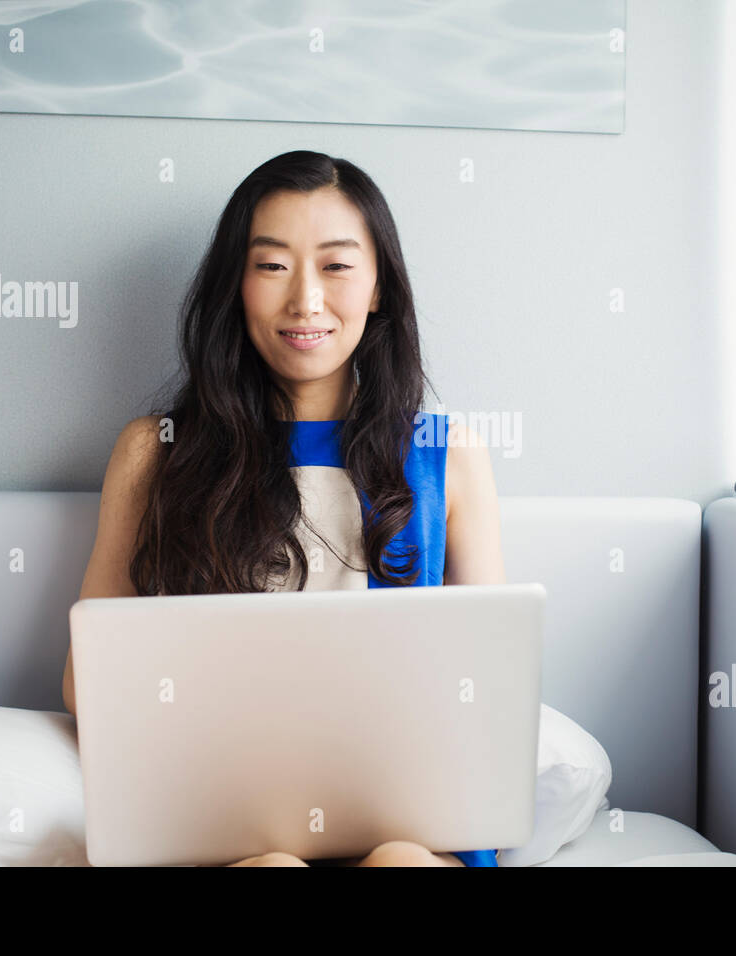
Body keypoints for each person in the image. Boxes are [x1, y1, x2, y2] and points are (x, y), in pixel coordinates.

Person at [62, 150, 507, 867]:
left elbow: (487, 679)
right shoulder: (156, 451)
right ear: (235, 285)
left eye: (336, 266)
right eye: (271, 266)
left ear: (379, 289)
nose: (305, 301)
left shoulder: (448, 454)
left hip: (408, 818)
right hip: (224, 814)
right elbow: (88, 680)